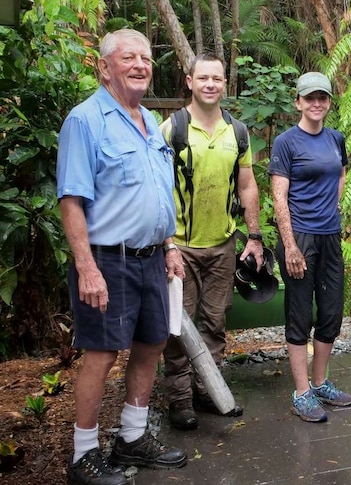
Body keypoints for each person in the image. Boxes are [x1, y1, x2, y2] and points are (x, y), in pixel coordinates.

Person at [57, 29, 188, 485]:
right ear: (105, 67)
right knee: (102, 353)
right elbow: (71, 199)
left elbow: (159, 194)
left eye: (146, 58)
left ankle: (132, 437)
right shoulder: (85, 120)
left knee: (151, 343)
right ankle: (83, 455)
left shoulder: (150, 121)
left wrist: (170, 246)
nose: (139, 65)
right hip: (106, 259)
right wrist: (86, 266)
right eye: (128, 57)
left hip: (152, 258)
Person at [159, 53, 261, 430]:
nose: (210, 84)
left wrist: (254, 236)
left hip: (222, 246)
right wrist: (166, 242)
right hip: (180, 247)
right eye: (203, 78)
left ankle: (208, 390)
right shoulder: (171, 129)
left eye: (217, 78)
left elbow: (248, 185)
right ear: (189, 81)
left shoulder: (238, 132)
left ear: (224, 84)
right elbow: (157, 188)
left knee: (214, 323)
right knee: (177, 327)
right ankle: (180, 400)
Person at [269, 72, 351, 423]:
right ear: (298, 102)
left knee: (332, 311)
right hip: (299, 236)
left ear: (329, 102)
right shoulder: (287, 142)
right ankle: (301, 392)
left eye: (322, 98)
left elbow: (341, 173)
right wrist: (290, 246)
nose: (316, 103)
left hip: (330, 234)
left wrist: (334, 208)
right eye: (309, 98)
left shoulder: (336, 138)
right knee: (300, 313)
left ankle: (320, 383)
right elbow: (278, 195)